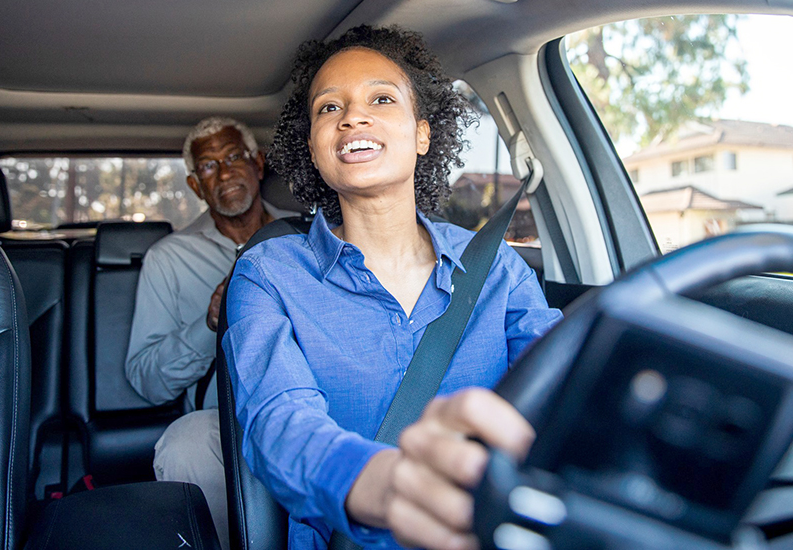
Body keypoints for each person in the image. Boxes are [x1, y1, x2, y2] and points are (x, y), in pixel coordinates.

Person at [221, 25, 563, 550]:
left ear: (423, 133)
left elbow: (564, 381)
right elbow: (277, 420)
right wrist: (382, 483)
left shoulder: (497, 268)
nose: (353, 116)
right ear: (313, 147)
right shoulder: (267, 273)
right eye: (328, 109)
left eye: (381, 99)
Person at [125, 116, 293, 550]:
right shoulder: (169, 258)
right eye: (208, 166)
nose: (224, 172)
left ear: (258, 164)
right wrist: (210, 325)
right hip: (226, 418)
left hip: (317, 398)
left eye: (234, 156)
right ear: (196, 185)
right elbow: (145, 379)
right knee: (185, 442)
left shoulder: (308, 233)